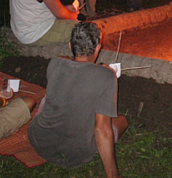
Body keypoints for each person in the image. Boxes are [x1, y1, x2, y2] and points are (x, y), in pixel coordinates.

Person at [28, 23, 128, 177]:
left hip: (40, 140)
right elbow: (102, 130)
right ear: (97, 48)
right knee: (121, 122)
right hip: (76, 154)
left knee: (47, 98)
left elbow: (70, 64)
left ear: (70, 45)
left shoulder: (55, 63)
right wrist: (113, 175)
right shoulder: (106, 77)